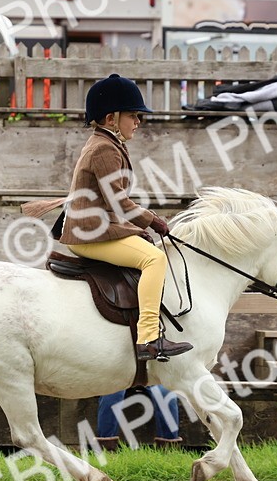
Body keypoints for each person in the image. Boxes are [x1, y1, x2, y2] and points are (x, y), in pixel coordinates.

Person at [59, 74, 192, 362]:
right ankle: (149, 338)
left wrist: (132, 229)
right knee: (154, 259)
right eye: (133, 116)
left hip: (96, 227)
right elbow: (117, 200)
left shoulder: (106, 142)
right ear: (111, 118)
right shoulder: (104, 148)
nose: (138, 122)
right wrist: (152, 221)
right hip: (89, 233)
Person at [96, 386, 182, 451]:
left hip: (152, 375)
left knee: (164, 393)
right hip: (120, 375)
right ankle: (106, 449)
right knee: (112, 392)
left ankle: (169, 449)